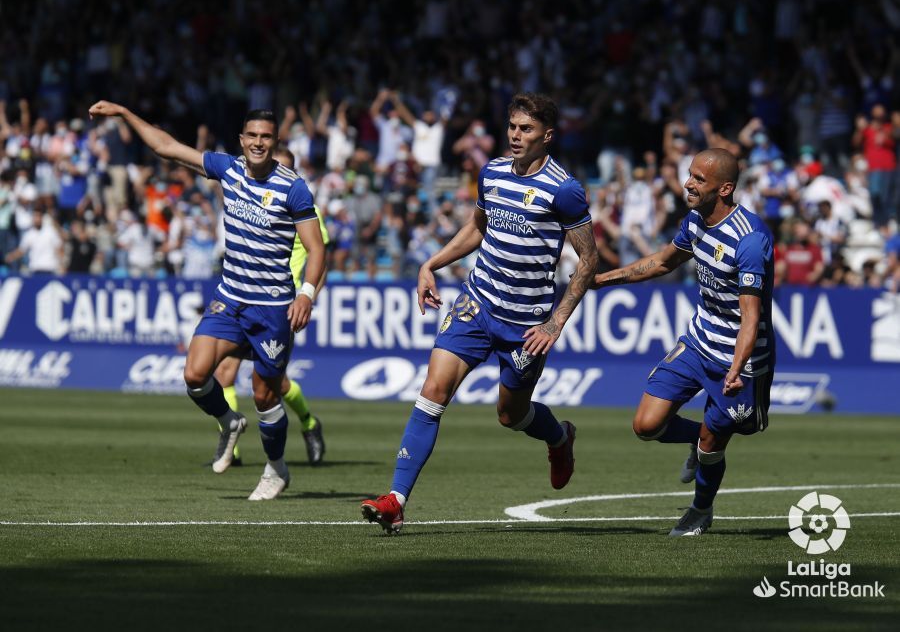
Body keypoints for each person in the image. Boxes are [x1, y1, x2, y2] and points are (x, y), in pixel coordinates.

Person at [361, 93, 599, 534]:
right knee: (433, 390)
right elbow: (477, 228)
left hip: (526, 325)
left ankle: (559, 437)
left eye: (526, 129)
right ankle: (395, 500)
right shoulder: (491, 172)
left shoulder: (563, 189)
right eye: (512, 126)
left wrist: (555, 322)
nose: (515, 135)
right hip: (477, 303)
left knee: (510, 415)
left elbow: (588, 259)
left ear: (547, 136)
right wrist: (431, 263)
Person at [88, 100, 325, 500]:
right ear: (241, 139)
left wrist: (306, 294)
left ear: (276, 141)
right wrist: (125, 114)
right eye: (252, 135)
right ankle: (229, 422)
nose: (258, 143)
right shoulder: (227, 169)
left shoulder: (293, 187)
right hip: (230, 298)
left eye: (266, 137)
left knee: (266, 394)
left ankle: (276, 468)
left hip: (271, 309)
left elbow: (316, 249)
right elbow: (166, 147)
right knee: (195, 375)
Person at [591, 148, 775, 536]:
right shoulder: (694, 221)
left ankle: (700, 510)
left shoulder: (750, 240)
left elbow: (751, 317)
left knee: (714, 443)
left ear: (725, 189)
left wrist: (736, 369)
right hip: (697, 341)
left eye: (698, 179)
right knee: (646, 425)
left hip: (739, 359)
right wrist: (601, 279)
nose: (688, 184)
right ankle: (698, 439)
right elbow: (661, 262)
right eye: (689, 175)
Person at [212, 146, 330, 467]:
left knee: (274, 385)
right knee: (224, 370)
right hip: (248, 297)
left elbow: (321, 258)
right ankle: (231, 450)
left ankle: (308, 423)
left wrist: (308, 297)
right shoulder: (256, 198)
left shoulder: (305, 208)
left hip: (282, 305)